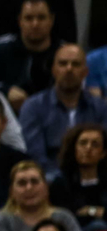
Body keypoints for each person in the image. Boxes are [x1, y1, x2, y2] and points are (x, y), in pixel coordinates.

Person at [19, 45, 107, 173]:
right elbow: (35, 155)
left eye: (75, 64)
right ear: (54, 70)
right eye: (63, 63)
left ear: (85, 72)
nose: (69, 69)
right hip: (50, 179)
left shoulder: (100, 108)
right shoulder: (33, 107)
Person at [0, 0, 59, 114]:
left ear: (51, 20)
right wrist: (5, 91)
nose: (35, 24)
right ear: (20, 21)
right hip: (7, 119)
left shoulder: (64, 53)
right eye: (29, 18)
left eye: (41, 18)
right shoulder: (0, 49)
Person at [50, 123, 107, 231]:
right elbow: (65, 217)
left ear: (103, 153)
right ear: (74, 149)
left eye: (95, 144)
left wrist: (90, 210)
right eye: (83, 143)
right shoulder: (62, 183)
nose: (88, 148)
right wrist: (99, 212)